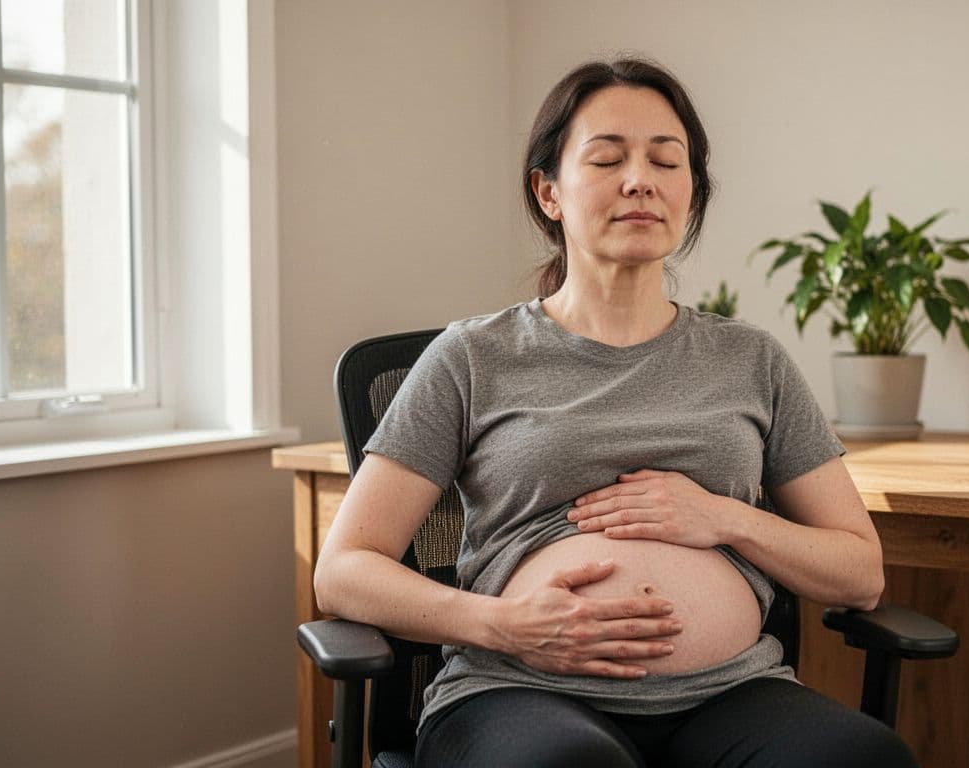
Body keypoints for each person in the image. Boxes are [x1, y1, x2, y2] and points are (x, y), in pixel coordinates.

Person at [313, 57, 915, 768]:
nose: (641, 180)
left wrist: (725, 517)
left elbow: (860, 572)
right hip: (516, 687)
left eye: (667, 160)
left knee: (862, 759)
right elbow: (344, 569)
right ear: (549, 193)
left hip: (730, 694)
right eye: (607, 159)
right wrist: (504, 624)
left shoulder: (752, 360)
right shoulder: (473, 357)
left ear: (691, 192)